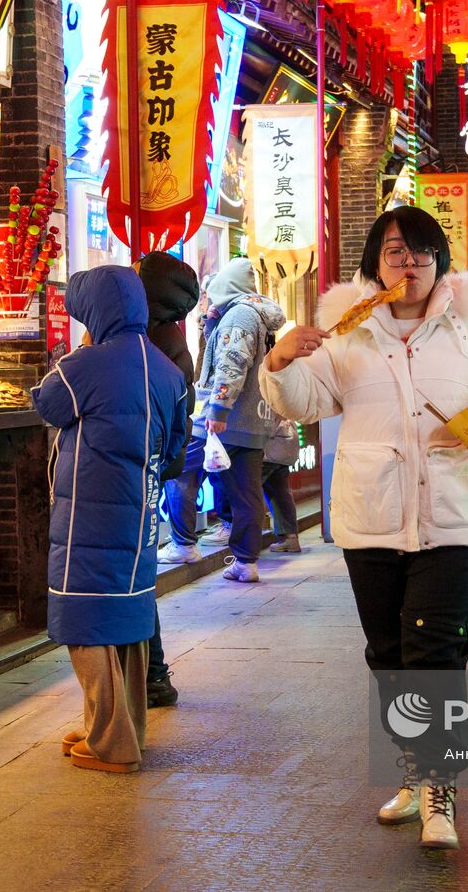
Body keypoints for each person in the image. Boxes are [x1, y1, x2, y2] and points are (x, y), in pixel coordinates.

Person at [260, 206, 468, 851]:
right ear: (373, 264)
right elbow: (305, 404)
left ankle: (441, 788)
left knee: (436, 651)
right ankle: (414, 771)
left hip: (454, 517)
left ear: (439, 262)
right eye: (394, 253)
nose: (408, 265)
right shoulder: (347, 334)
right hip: (373, 517)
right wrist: (281, 361)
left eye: (420, 253)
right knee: (388, 654)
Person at [31, 265, 187, 773]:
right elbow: (179, 441)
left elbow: (46, 404)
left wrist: (77, 351)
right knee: (127, 623)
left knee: (87, 622)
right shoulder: (166, 369)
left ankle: (111, 745)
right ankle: (119, 727)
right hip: (140, 512)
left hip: (90, 519)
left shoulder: (88, 364)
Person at [163, 258, 286, 582]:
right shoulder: (250, 315)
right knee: (247, 493)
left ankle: (183, 544)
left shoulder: (239, 316)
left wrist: (217, 411)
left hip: (223, 420)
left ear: (225, 288)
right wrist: (210, 323)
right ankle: (245, 563)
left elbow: (231, 365)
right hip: (250, 421)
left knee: (179, 474)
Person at [139, 252, 200, 709]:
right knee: (138, 571)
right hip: (157, 465)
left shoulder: (153, 343)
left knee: (137, 575)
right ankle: (152, 674)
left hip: (140, 468)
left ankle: (154, 675)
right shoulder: (168, 337)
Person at [262, 416, 302, 552]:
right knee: (280, 492)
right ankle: (290, 539)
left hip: (268, 445)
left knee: (246, 494)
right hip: (285, 446)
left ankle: (240, 537)